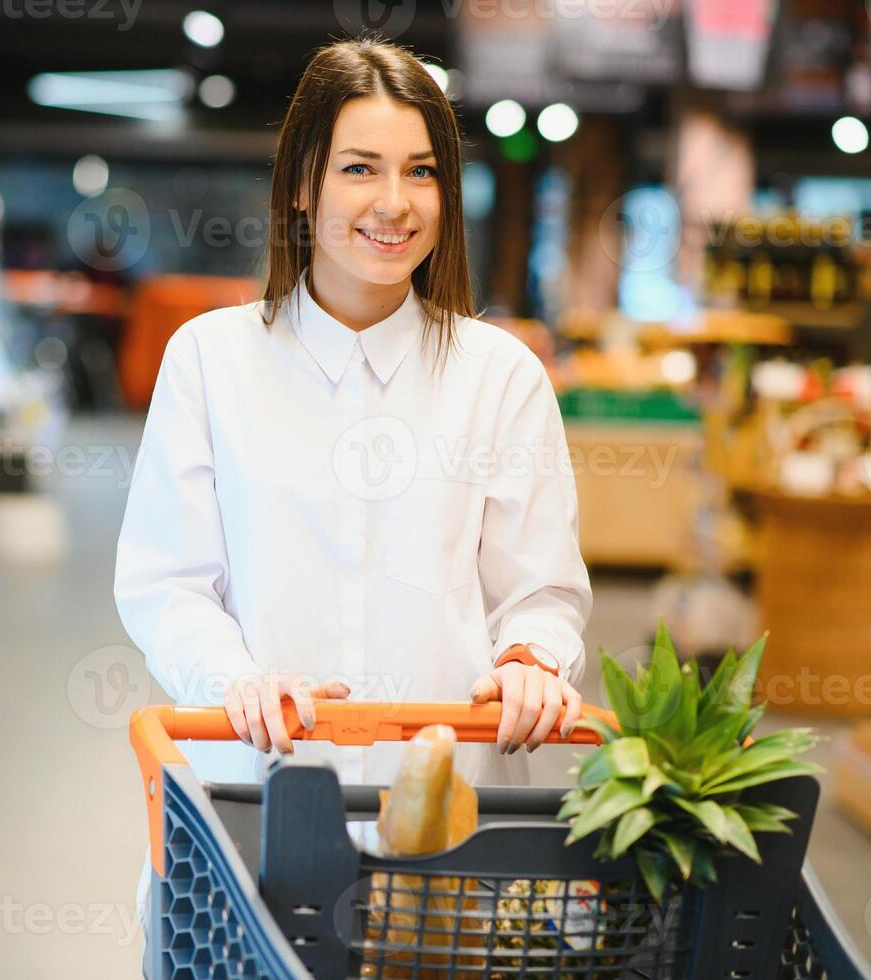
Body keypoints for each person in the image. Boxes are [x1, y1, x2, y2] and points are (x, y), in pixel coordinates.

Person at [113, 34, 592, 955]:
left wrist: (534, 657)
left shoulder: (501, 375)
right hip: (251, 805)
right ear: (302, 185)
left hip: (450, 831)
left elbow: (540, 591)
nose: (393, 203)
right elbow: (165, 583)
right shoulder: (212, 361)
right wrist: (234, 682)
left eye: (420, 172)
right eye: (359, 168)